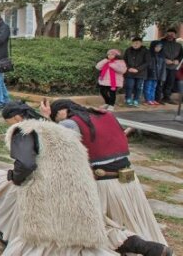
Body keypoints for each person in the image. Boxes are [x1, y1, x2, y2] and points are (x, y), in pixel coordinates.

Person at [0, 102, 114, 255]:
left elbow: (26, 164)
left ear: (16, 117)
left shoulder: (23, 130)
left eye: (9, 123)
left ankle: (10, 231)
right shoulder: (60, 129)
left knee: (3, 189)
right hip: (79, 187)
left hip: (48, 186)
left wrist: (15, 177)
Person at [44, 99, 171, 254]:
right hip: (129, 180)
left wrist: (46, 119)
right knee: (130, 221)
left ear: (61, 111)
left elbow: (52, 146)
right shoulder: (107, 116)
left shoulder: (70, 124)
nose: (60, 121)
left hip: (104, 183)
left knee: (92, 226)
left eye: (57, 118)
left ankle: (144, 248)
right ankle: (149, 248)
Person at [123, 37, 150, 107]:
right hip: (130, 72)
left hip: (141, 72)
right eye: (134, 43)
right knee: (129, 86)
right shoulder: (128, 50)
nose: (135, 44)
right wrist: (128, 68)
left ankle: (136, 99)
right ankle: (128, 98)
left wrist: (138, 69)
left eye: (137, 43)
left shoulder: (145, 51)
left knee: (138, 87)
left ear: (141, 43)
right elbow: (124, 60)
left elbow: (147, 62)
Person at [159, 28, 182, 104]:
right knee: (162, 82)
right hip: (163, 66)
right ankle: (158, 98)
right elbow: (156, 53)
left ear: (175, 35)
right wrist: (164, 59)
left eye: (172, 34)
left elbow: (181, 56)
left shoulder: (178, 45)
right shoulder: (161, 43)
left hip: (173, 67)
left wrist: (177, 60)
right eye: (168, 34)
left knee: (170, 82)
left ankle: (167, 97)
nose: (170, 36)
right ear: (166, 34)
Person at [146, 41, 167, 105]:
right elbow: (147, 64)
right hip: (150, 74)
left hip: (158, 75)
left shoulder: (162, 55)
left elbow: (163, 67)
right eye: (157, 46)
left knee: (154, 87)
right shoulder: (149, 54)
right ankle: (148, 99)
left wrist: (162, 76)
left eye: (160, 47)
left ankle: (152, 99)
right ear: (153, 47)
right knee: (148, 87)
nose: (158, 48)